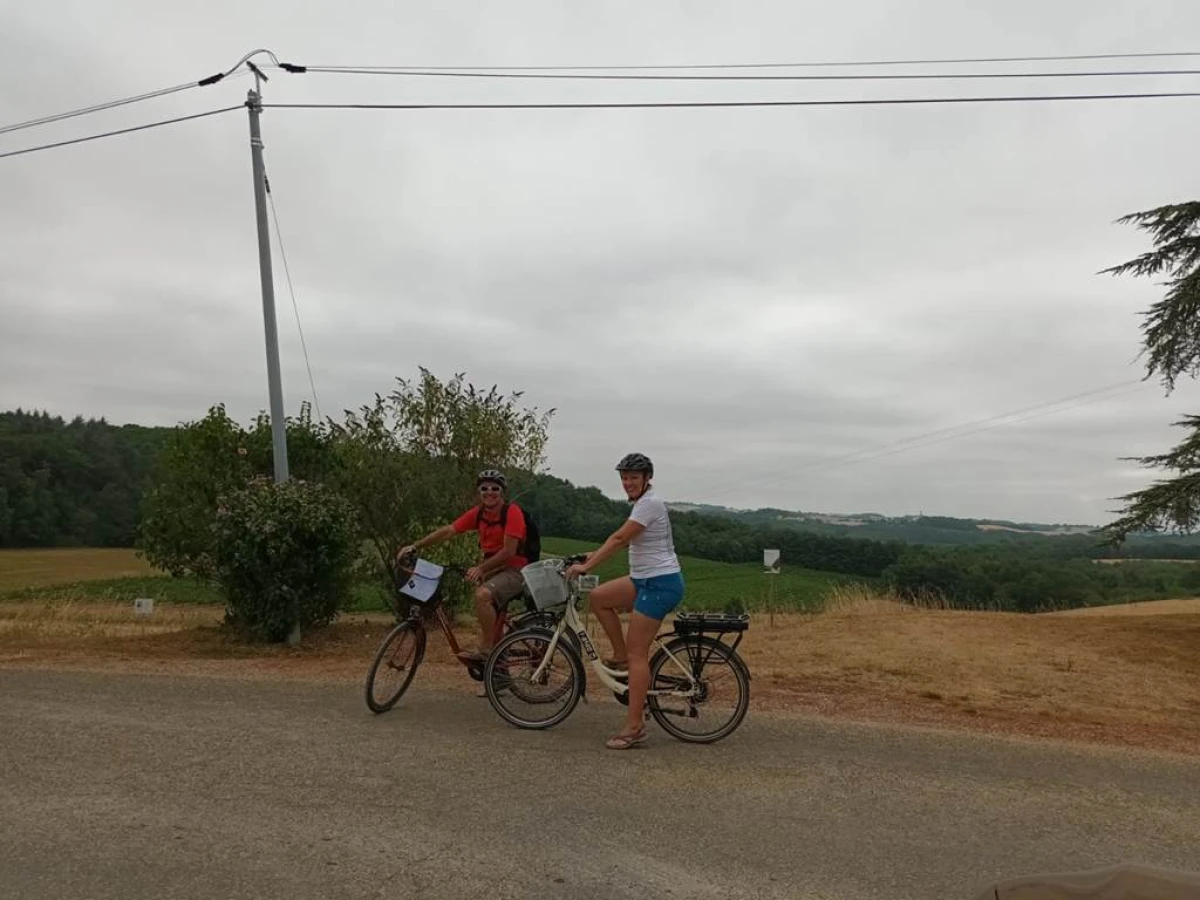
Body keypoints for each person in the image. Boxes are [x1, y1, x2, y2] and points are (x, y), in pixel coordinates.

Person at [565, 452, 684, 750]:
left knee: (638, 654)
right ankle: (618, 655)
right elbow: (619, 538)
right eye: (624, 478)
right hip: (643, 579)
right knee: (599, 597)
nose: (628, 483)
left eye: (633, 478)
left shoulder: (650, 503)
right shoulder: (641, 504)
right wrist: (590, 556)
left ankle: (634, 726)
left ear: (647, 479)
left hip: (660, 584)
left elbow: (619, 540)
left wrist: (587, 567)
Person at [397, 469, 531, 677]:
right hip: (492, 571)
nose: (489, 492)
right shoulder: (479, 513)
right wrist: (415, 546)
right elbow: (449, 530)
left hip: (515, 570)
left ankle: (487, 651)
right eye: (484, 488)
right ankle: (499, 677)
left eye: (494, 488)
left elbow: (508, 552)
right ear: (479, 491)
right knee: (491, 619)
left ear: (502, 492)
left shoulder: (512, 512)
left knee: (482, 596)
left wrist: (480, 569)